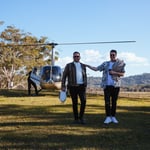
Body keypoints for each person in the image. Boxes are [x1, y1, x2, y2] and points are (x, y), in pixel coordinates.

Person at [86, 49, 125, 124]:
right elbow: (96, 69)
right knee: (107, 102)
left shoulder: (119, 64)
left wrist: (114, 72)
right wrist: (87, 65)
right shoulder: (105, 64)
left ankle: (113, 117)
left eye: (113, 55)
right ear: (109, 55)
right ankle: (108, 117)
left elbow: (122, 74)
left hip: (116, 86)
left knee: (114, 102)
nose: (112, 56)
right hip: (107, 86)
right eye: (111, 55)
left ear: (116, 55)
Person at [61, 51, 87, 124]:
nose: (76, 57)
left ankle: (81, 117)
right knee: (74, 103)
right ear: (73, 57)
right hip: (72, 86)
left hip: (81, 86)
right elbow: (64, 76)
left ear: (80, 57)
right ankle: (76, 119)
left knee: (84, 101)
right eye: (75, 56)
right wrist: (63, 86)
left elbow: (85, 76)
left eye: (77, 56)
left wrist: (85, 84)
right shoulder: (68, 65)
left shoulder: (83, 65)